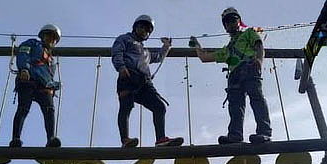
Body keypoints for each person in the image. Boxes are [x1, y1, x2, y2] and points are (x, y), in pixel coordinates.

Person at [190, 7, 272, 145]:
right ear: (225, 26)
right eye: (227, 22)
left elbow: (259, 45)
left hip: (250, 68)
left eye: (233, 20)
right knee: (235, 106)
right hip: (235, 75)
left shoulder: (249, 33)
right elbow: (204, 58)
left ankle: (264, 132)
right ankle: (235, 135)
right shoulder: (227, 49)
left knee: (256, 98)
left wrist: (259, 60)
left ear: (239, 21)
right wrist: (197, 45)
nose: (230, 24)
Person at [112, 15, 184, 148]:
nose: (145, 31)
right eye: (142, 27)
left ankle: (161, 139)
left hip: (144, 82)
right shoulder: (125, 39)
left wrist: (166, 46)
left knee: (159, 106)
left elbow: (158, 57)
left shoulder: (146, 51)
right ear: (135, 27)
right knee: (126, 107)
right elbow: (117, 52)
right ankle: (125, 140)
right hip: (128, 76)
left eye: (148, 30)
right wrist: (121, 67)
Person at [10, 24, 62, 148]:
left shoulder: (51, 59)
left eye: (54, 39)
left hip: (44, 85)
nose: (51, 40)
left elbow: (49, 74)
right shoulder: (32, 43)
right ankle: (15, 139)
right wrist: (24, 69)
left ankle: (51, 138)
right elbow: (23, 54)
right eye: (49, 36)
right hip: (28, 80)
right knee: (23, 108)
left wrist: (53, 86)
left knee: (49, 110)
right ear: (43, 35)